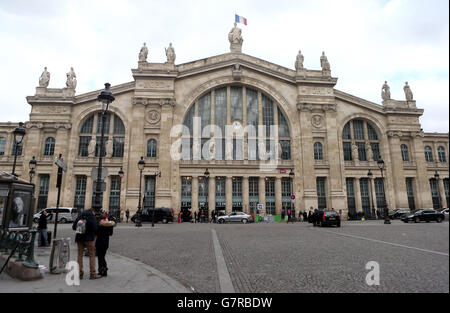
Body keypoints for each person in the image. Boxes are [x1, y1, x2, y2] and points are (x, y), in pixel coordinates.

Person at [72, 208, 101, 280]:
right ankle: (92, 273)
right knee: (92, 254)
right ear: (93, 211)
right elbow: (95, 228)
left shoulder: (80, 215)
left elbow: (73, 226)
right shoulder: (92, 216)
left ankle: (79, 273)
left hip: (79, 237)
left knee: (80, 255)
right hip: (89, 238)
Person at [95, 211, 115, 277]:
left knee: (100, 258)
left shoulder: (100, 225)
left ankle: (101, 271)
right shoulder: (109, 225)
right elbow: (111, 234)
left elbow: (96, 233)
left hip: (99, 243)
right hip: (106, 243)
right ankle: (104, 271)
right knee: (102, 256)